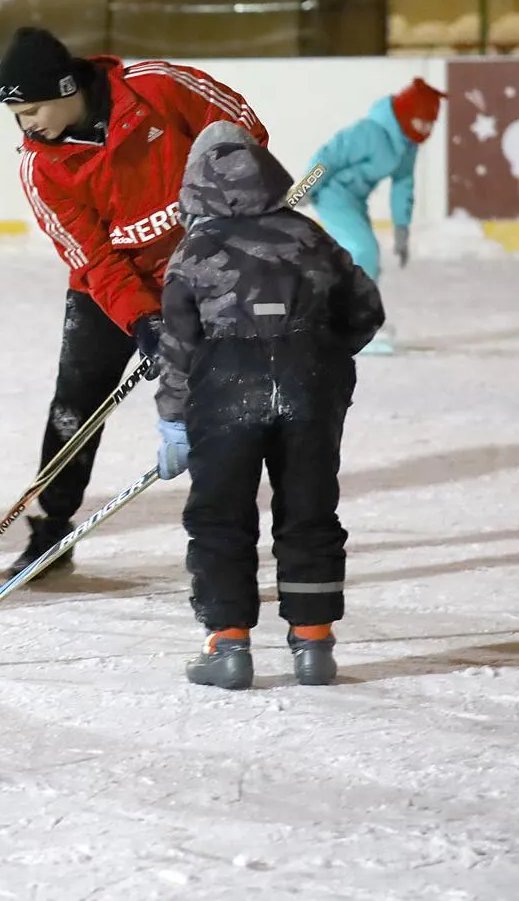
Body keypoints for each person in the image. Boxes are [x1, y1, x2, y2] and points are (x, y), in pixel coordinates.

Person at [0, 26, 267, 576]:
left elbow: (242, 125)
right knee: (76, 403)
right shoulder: (42, 167)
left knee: (211, 406)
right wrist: (142, 321)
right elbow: (95, 261)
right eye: (17, 117)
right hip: (111, 289)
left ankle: (220, 540)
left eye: (32, 111)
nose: (27, 127)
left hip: (202, 270)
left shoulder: (159, 89)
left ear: (66, 87)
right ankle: (50, 528)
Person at [154, 122, 384, 689]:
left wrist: (172, 420)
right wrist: (321, 355)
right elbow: (365, 311)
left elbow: (179, 346)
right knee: (309, 513)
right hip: (309, 388)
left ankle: (227, 646)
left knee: (220, 517)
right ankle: (313, 646)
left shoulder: (194, 250)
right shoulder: (311, 238)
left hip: (225, 392)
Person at [307, 78, 444, 354]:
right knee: (364, 249)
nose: (425, 130)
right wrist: (304, 189)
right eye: (421, 123)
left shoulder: (407, 146)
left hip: (356, 201)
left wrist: (402, 229)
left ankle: (346, 319)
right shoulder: (370, 133)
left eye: (430, 124)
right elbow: (329, 156)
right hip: (333, 195)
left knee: (366, 259)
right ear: (407, 115)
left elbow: (403, 185)